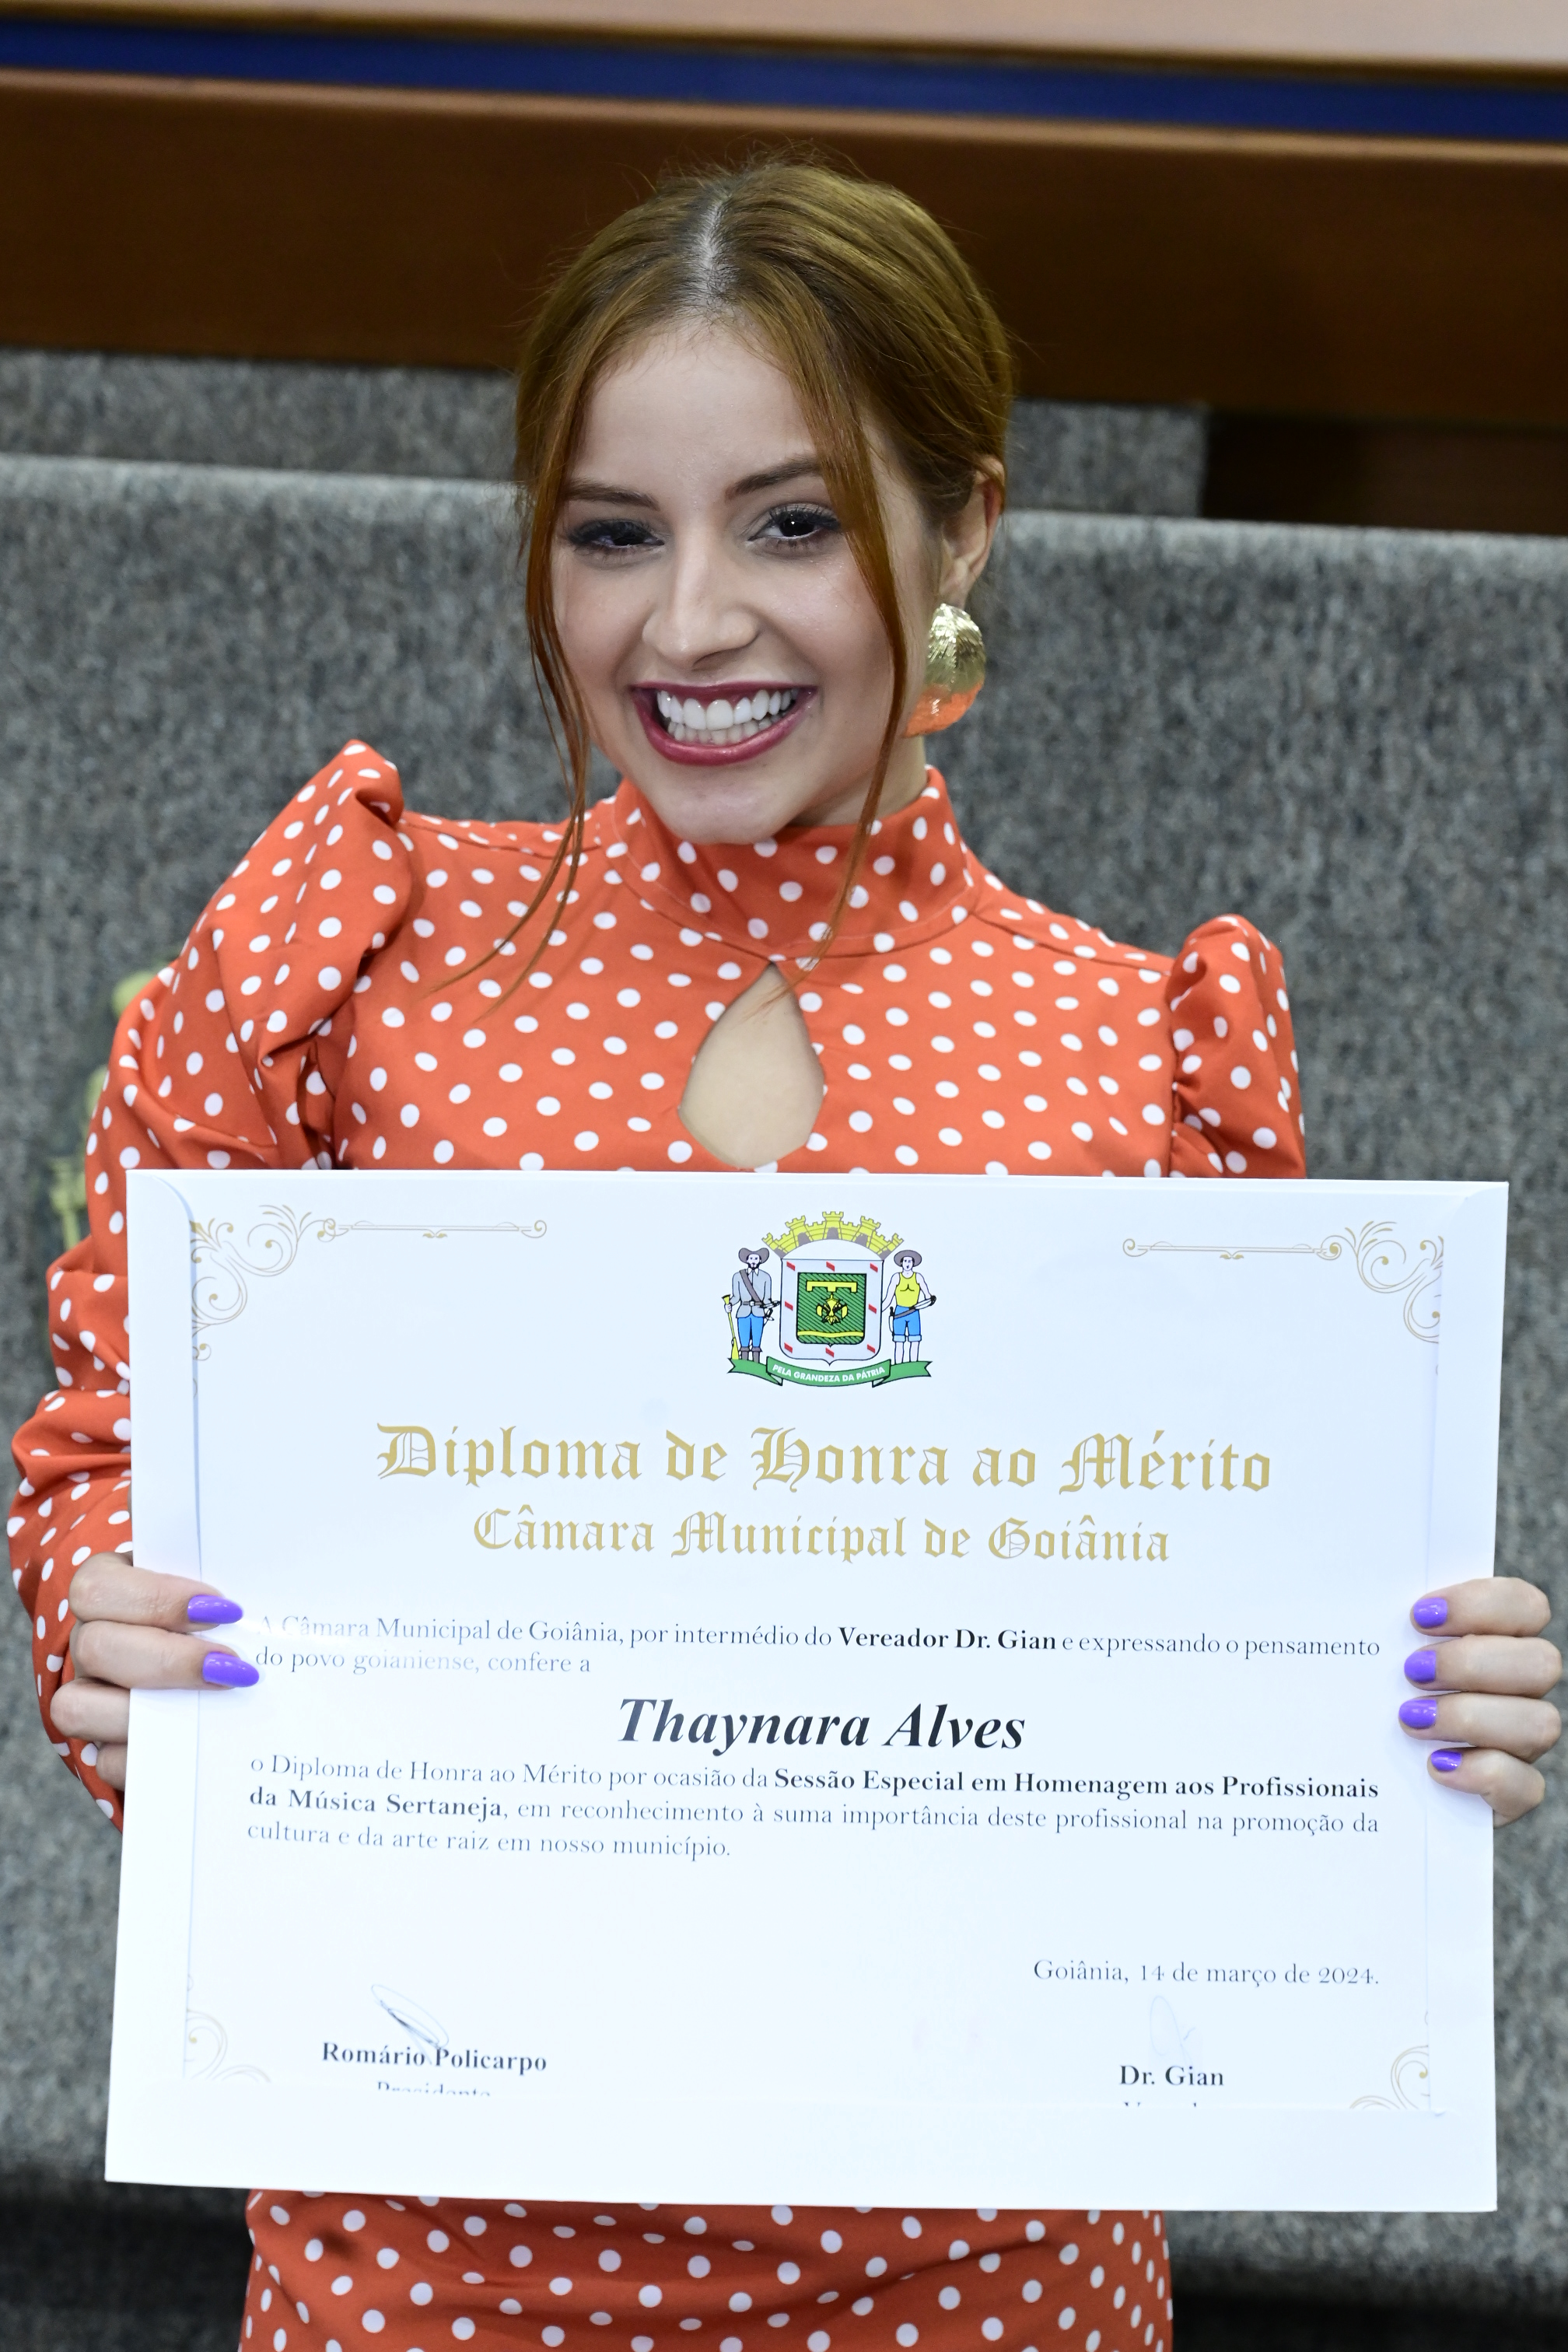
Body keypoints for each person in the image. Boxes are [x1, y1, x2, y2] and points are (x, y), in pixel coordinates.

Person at [9, 159, 1560, 2352]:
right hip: (436, 2253)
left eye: (793, 523)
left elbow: (1231, 1639)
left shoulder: (1144, 1055)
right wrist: (109, 1628)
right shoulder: (354, 966)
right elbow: (111, 1452)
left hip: (991, 2273)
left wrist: (1408, 1705)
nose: (690, 622)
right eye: (611, 532)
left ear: (965, 531)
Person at [888, 1248, 933, 1364]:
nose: (907, 1264)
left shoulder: (918, 1277)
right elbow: (888, 1298)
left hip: (914, 1312)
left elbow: (927, 1295)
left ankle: (913, 1365)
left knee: (915, 1341)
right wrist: (879, 1311)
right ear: (901, 1263)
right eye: (905, 1261)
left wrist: (930, 1299)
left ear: (913, 1263)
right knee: (899, 1342)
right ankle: (898, 1365)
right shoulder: (896, 1277)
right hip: (899, 1312)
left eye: (910, 1261)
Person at [731, 1247, 775, 1360]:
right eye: (751, 1258)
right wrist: (729, 1304)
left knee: (756, 1343)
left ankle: (756, 1364)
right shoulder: (738, 1276)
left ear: (760, 1260)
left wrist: (771, 1304)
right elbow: (736, 1297)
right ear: (747, 1260)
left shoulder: (766, 1277)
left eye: (756, 1258)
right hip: (743, 1311)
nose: (753, 1261)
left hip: (759, 1312)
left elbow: (767, 1298)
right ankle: (744, 1363)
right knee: (744, 1342)